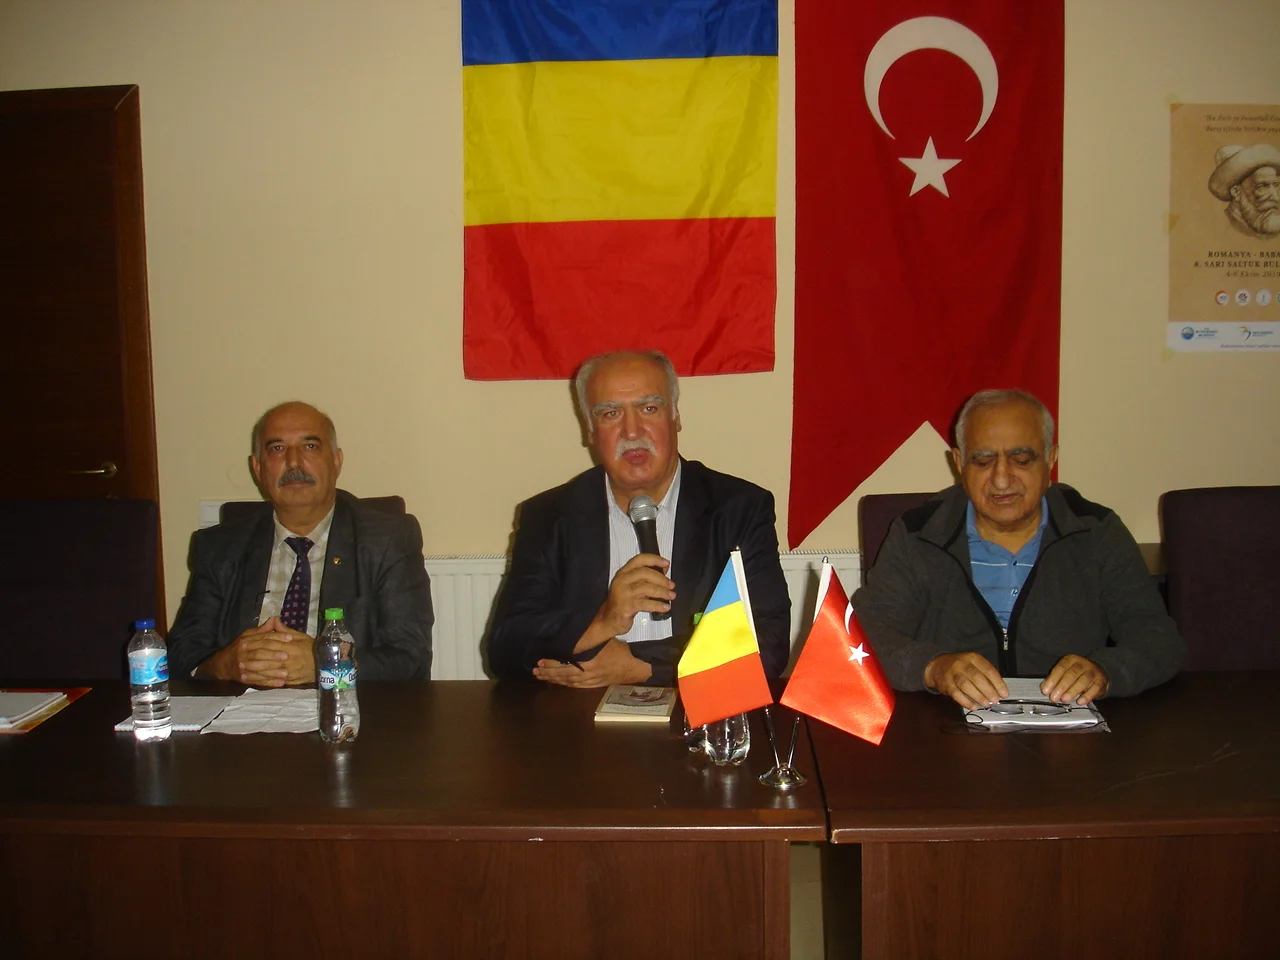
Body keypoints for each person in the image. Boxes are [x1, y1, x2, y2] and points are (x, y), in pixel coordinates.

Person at [852, 389, 1185, 709]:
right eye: (983, 461)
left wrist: (1106, 671)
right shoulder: (918, 534)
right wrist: (933, 667)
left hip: (1071, 725)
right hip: (946, 723)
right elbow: (862, 637)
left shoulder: (1095, 531)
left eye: (1021, 460)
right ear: (959, 463)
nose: (1001, 479)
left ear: (1051, 459)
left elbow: (1158, 638)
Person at [487, 350, 790, 688]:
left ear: (675, 416)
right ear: (590, 430)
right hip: (581, 713)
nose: (631, 431)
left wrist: (638, 666)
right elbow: (505, 649)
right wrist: (602, 622)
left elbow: (768, 646)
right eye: (610, 413)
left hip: (699, 706)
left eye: (649, 409)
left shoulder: (740, 509)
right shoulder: (548, 516)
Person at [167, 401, 433, 684]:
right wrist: (223, 665)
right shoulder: (220, 546)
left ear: (336, 461)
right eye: (277, 448)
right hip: (244, 704)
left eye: (310, 446)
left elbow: (411, 656)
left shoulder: (387, 539)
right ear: (257, 468)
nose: (294, 462)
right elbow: (182, 653)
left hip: (344, 704)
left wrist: (327, 662)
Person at [1208, 144, 1280, 239]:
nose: (1276, 197)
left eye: (1276, 185)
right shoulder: (1221, 230)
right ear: (1236, 192)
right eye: (1262, 186)